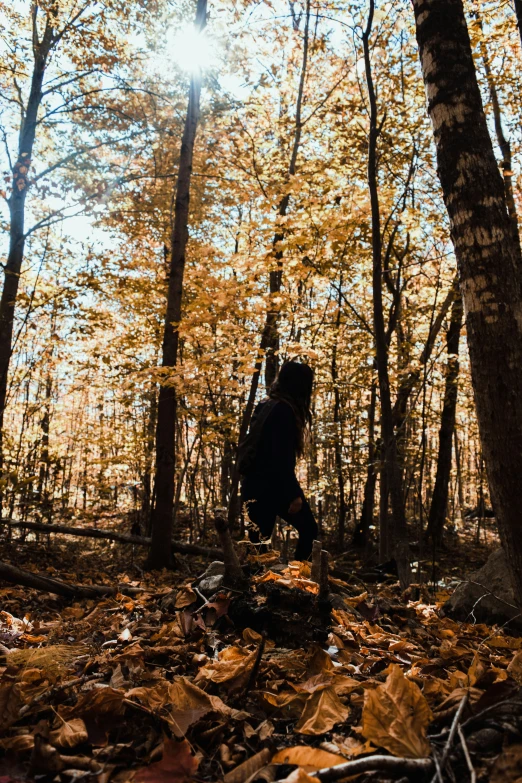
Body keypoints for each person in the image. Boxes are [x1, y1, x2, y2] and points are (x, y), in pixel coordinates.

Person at [240, 361, 318, 560]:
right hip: (269, 487)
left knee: (258, 550)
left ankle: (292, 582)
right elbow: (279, 458)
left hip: (256, 485)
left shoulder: (267, 405)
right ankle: (298, 581)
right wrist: (294, 495)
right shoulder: (283, 411)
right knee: (308, 530)